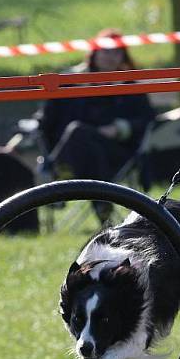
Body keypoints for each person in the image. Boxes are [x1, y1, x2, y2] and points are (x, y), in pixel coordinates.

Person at [36, 29, 155, 223]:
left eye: (117, 52)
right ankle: (102, 203)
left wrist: (119, 128)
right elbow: (45, 122)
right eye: (106, 51)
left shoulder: (130, 85)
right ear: (94, 52)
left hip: (115, 154)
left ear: (123, 56)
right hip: (78, 152)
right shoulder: (70, 82)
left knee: (79, 133)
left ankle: (60, 179)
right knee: (78, 134)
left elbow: (147, 119)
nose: (111, 57)